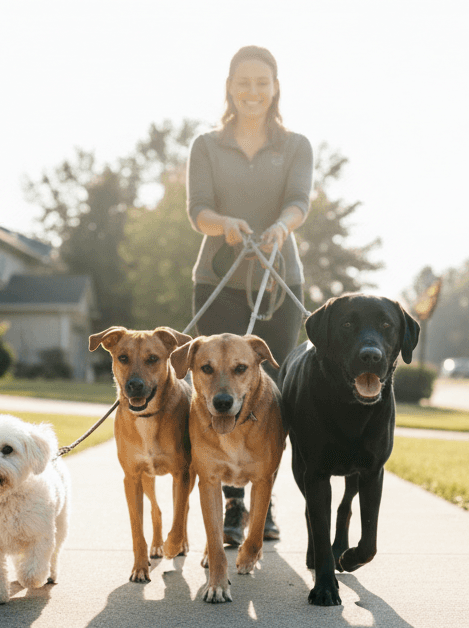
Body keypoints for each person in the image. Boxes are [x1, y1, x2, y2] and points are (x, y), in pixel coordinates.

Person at [186, 45, 312, 548]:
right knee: (221, 385)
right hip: (219, 276)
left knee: (271, 392)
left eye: (262, 82)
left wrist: (282, 226)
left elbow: (299, 201)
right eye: (244, 82)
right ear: (230, 87)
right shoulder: (207, 145)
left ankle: (263, 495)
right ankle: (232, 506)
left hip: (280, 278)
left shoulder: (296, 144)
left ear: (275, 87)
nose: (253, 91)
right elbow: (197, 210)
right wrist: (225, 225)